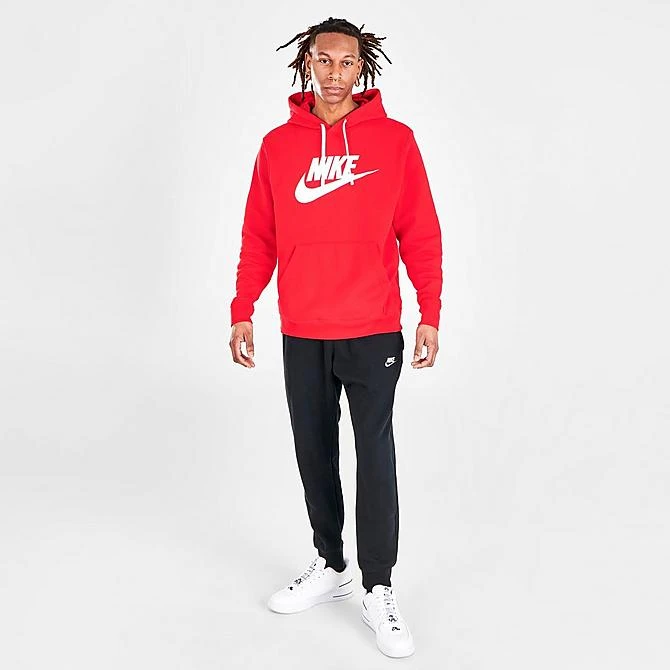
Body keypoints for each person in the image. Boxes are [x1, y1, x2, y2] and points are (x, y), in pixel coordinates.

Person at [229, 16, 442, 659]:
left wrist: (429, 311)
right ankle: (331, 564)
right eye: (323, 60)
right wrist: (243, 307)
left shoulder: (396, 142)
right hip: (302, 327)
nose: (334, 73)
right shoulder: (277, 147)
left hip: (373, 327)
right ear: (307, 64)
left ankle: (378, 586)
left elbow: (420, 231)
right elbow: (259, 234)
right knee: (313, 450)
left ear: (362, 68)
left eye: (347, 62)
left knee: (374, 455)